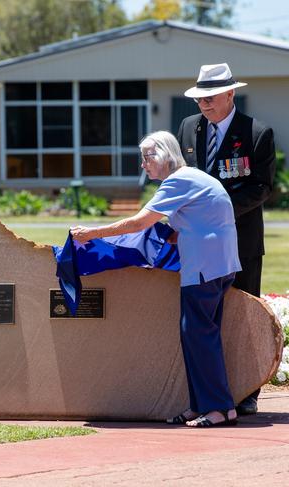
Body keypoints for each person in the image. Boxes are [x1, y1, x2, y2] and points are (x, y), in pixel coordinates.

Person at [71, 130, 241, 428]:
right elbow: (178, 230)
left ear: (164, 155)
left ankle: (220, 409)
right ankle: (201, 405)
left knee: (200, 337)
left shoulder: (178, 180)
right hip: (218, 264)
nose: (143, 164)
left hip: (204, 267)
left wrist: (92, 234)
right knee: (196, 336)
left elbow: (140, 222)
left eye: (147, 157)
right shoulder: (190, 178)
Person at [176, 63, 276, 416]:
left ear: (231, 93)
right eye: (199, 97)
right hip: (198, 247)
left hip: (241, 242)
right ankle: (210, 395)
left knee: (246, 315)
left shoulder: (256, 133)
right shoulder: (188, 128)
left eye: (211, 97)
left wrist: (216, 211)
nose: (204, 104)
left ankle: (248, 391)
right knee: (205, 319)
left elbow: (261, 187)